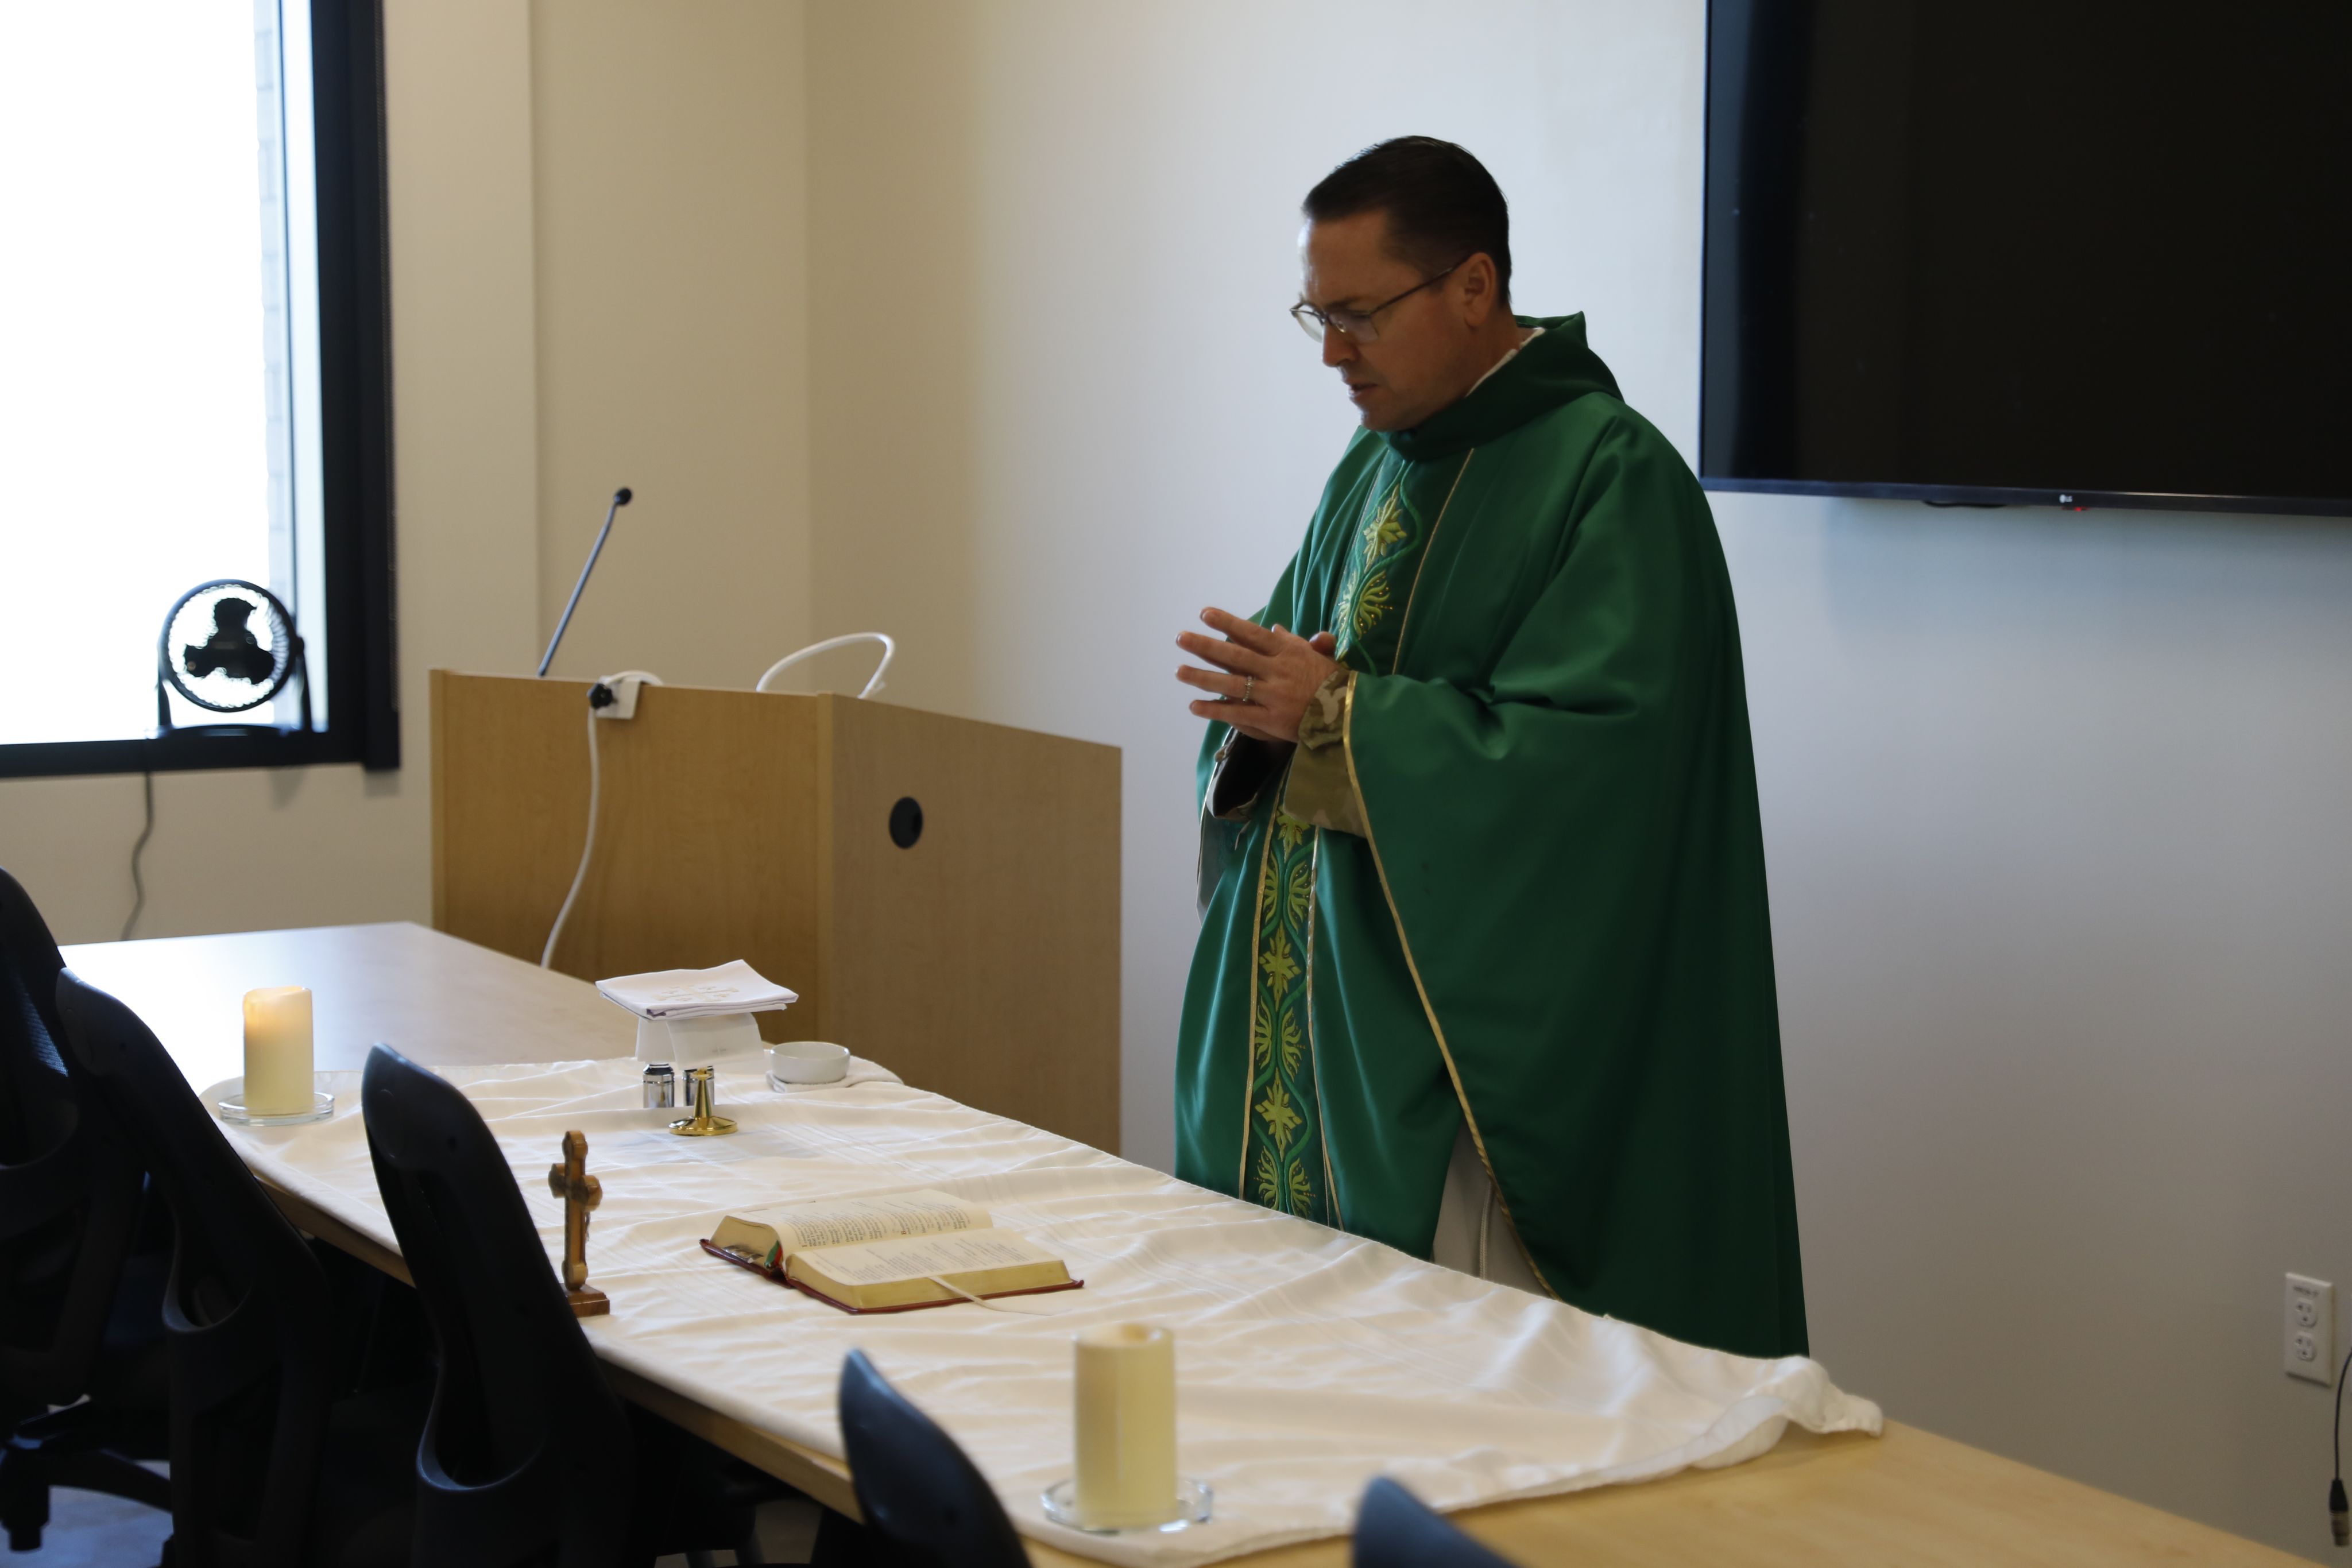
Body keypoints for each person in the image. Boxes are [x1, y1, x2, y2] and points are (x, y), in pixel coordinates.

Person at [1172, 136, 1806, 1358]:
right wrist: (1262, 715)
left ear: (1472, 286)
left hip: (1472, 1050)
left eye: (1358, 314)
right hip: (1335, 1027)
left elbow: (1594, 776)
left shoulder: (1608, 476)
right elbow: (1297, 693)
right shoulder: (1372, 465)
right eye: (1314, 313)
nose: (1331, 353)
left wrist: (1338, 717)